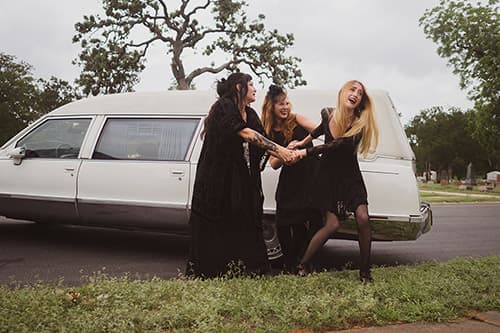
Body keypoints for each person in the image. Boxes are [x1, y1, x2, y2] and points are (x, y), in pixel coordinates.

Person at [186, 72, 297, 279]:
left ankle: (246, 270)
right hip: (216, 178)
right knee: (218, 220)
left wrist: (286, 154)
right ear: (239, 87)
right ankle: (214, 272)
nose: (255, 88)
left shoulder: (250, 113)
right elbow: (246, 133)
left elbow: (260, 141)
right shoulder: (225, 107)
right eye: (251, 84)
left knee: (246, 216)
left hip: (238, 178)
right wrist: (281, 150)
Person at [292, 80, 379, 282]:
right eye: (352, 89)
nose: (356, 94)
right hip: (327, 176)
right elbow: (320, 130)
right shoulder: (327, 113)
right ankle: (302, 264)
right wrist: (301, 143)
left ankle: (365, 273)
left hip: (350, 177)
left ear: (361, 102)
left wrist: (306, 152)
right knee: (332, 225)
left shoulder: (360, 125)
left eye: (360, 93)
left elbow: (336, 145)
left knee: (363, 218)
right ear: (343, 92)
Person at [261, 84, 322, 273]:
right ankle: (290, 263)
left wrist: (303, 144)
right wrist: (286, 150)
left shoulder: (297, 119)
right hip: (291, 176)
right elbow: (273, 163)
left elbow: (321, 129)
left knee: (311, 220)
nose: (285, 107)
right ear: (271, 106)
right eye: (280, 104)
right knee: (284, 221)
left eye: (287, 102)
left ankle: (304, 262)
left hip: (311, 173)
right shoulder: (269, 131)